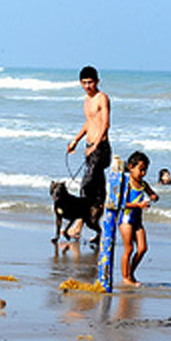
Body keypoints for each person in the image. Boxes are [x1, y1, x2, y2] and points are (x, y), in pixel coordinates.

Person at [66, 66, 111, 240]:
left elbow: (105, 124)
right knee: (98, 192)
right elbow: (89, 123)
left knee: (86, 186)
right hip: (90, 146)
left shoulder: (102, 98)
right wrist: (75, 140)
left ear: (97, 81)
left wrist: (95, 145)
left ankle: (78, 225)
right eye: (84, 83)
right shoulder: (86, 100)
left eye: (90, 82)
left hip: (101, 148)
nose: (87, 86)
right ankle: (100, 231)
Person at [119, 151, 158, 287]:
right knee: (128, 249)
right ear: (130, 167)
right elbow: (121, 203)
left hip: (137, 221)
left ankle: (131, 273)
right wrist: (138, 205)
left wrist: (153, 197)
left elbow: (152, 193)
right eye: (140, 170)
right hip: (126, 219)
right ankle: (125, 277)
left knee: (142, 248)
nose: (143, 173)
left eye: (145, 170)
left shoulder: (143, 184)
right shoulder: (127, 183)